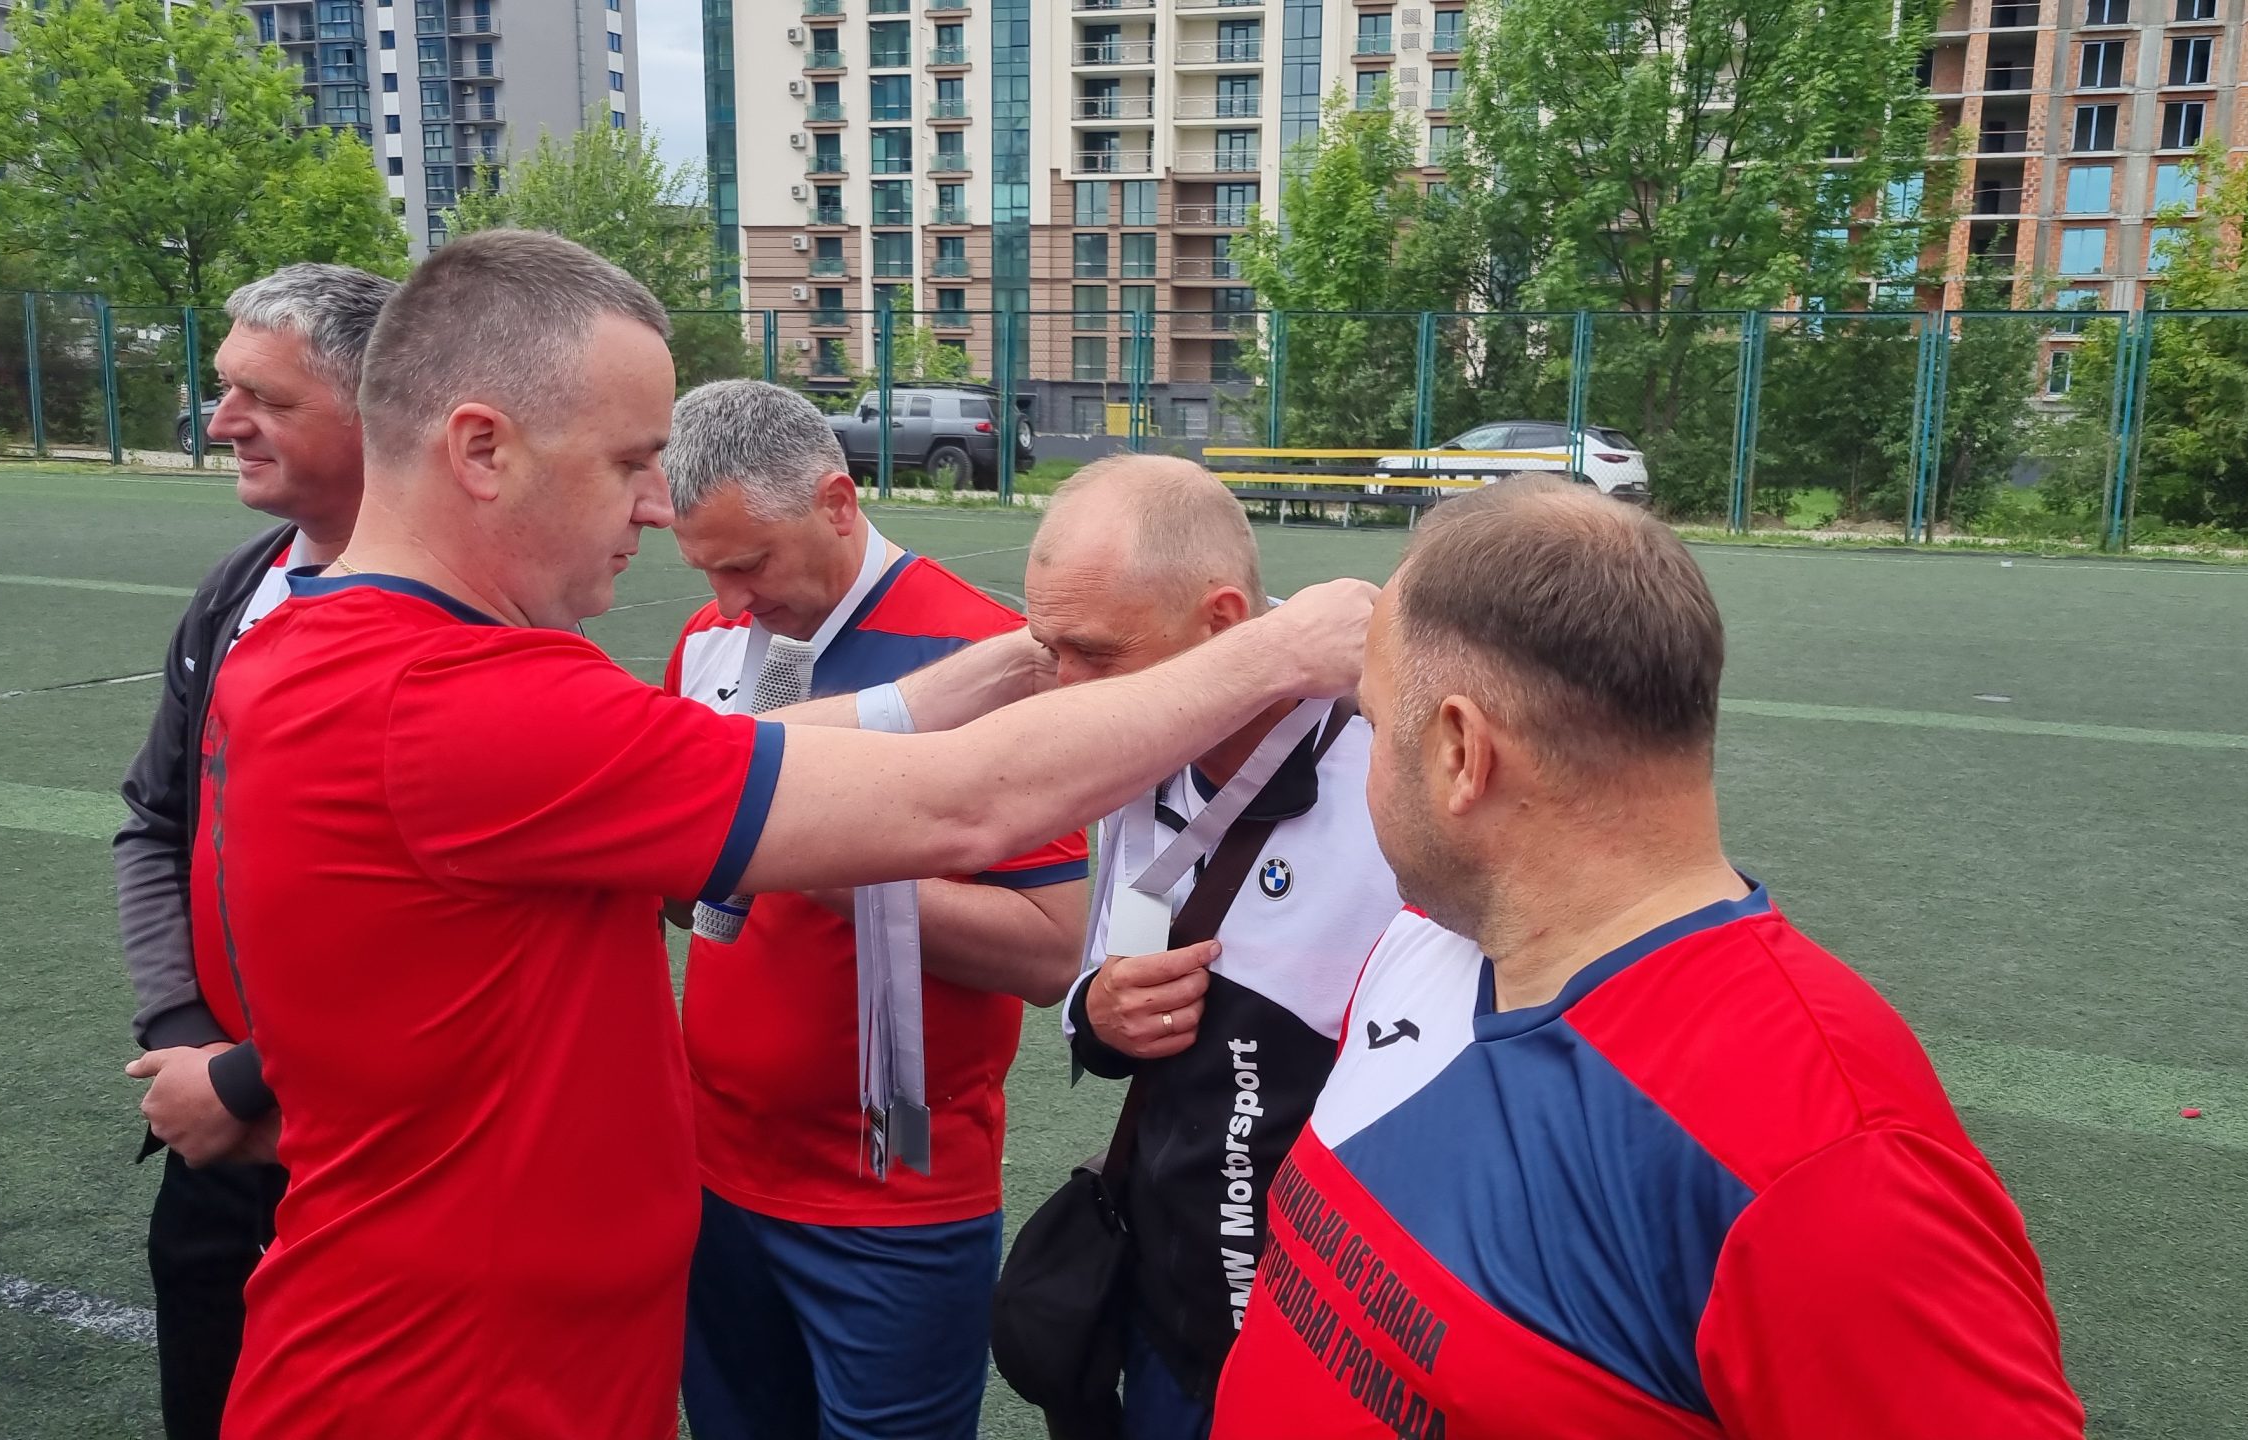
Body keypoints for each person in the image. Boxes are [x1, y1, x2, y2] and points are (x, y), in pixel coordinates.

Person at [194, 229, 1373, 1440]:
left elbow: (751, 751)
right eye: (630, 461)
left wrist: (986, 670)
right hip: (455, 1384)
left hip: (484, 1341)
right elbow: (962, 802)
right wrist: (1274, 653)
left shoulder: (344, 654)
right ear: (480, 449)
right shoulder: (455, 699)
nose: (655, 505)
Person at [1210, 479, 2085, 1439]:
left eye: (1375, 728)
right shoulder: (1422, 946)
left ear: (1461, 753)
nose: (1367, 766)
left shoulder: (1827, 1152)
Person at [660, 380, 1089, 1440]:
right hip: (711, 1176)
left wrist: (821, 855)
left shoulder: (984, 655)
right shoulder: (707, 643)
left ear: (837, 502)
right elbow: (686, 899)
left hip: (890, 1197)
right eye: (707, 569)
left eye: (749, 564)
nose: (728, 601)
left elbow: (1052, 951)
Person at [1025, 456, 1409, 1440]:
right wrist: (1099, 1012)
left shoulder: (1396, 775)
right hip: (1171, 1305)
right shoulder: (1133, 757)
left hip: (1331, 1339)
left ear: (1224, 621)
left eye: (1094, 654)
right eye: (1049, 651)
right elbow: (1101, 981)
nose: (1064, 689)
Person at [109, 263, 399, 1440]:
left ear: (382, 411)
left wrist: (250, 1080)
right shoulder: (238, 588)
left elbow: (445, 939)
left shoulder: (486, 618)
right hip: (219, 1144)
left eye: (264, 398)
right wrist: (190, 1044)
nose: (221, 420)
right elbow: (153, 823)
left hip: (384, 1157)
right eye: (225, 389)